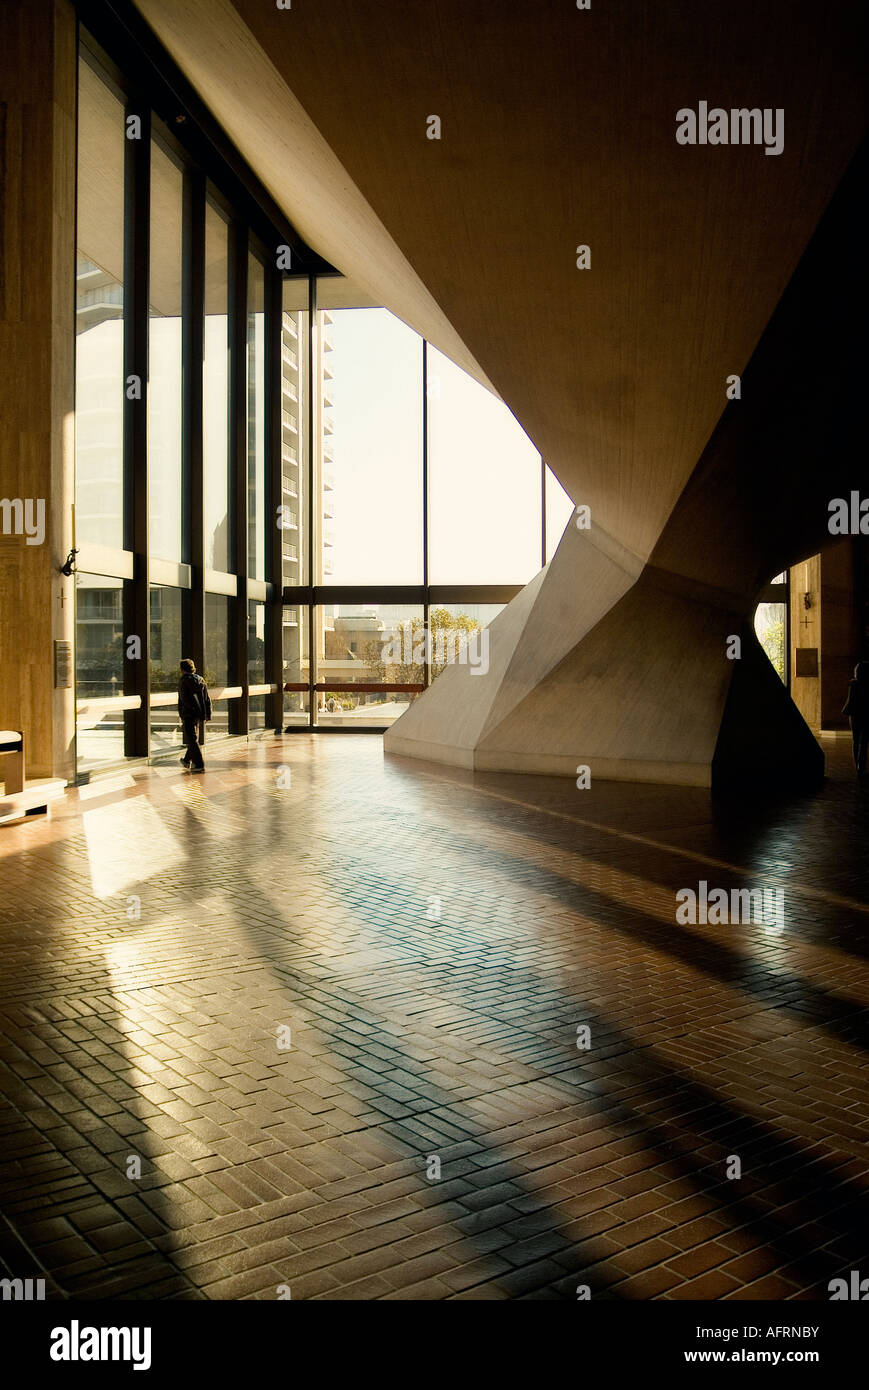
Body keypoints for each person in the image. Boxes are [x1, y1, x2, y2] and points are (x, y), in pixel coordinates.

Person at [177, 658, 211, 773]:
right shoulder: (200, 680)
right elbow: (207, 698)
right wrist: (207, 713)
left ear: (182, 669)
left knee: (191, 739)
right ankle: (187, 760)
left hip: (188, 714)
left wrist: (182, 713)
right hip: (199, 714)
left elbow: (184, 699)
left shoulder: (184, 681)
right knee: (192, 738)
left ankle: (199, 764)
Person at [842, 660, 869, 779]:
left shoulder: (853, 685)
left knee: (856, 740)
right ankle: (860, 766)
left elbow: (851, 701)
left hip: (854, 715)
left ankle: (858, 766)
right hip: (865, 715)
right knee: (863, 742)